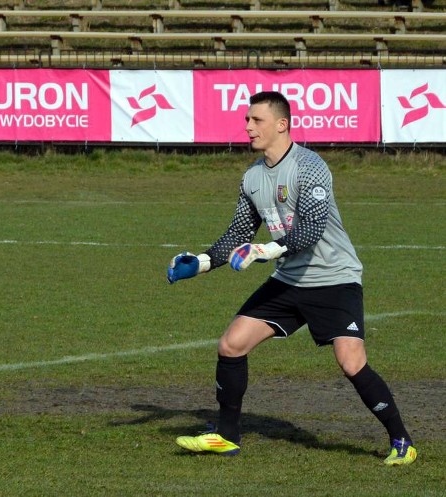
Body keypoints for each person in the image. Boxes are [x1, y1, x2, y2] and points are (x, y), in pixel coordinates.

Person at [166, 91, 416, 466]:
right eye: (247, 120)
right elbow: (237, 234)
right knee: (231, 345)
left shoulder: (309, 166)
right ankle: (226, 436)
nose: (248, 126)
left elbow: (312, 229)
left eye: (256, 120)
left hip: (334, 278)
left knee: (350, 362)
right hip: (289, 280)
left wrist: (264, 251)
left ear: (281, 124)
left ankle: (402, 440)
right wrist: (201, 262)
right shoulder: (251, 176)